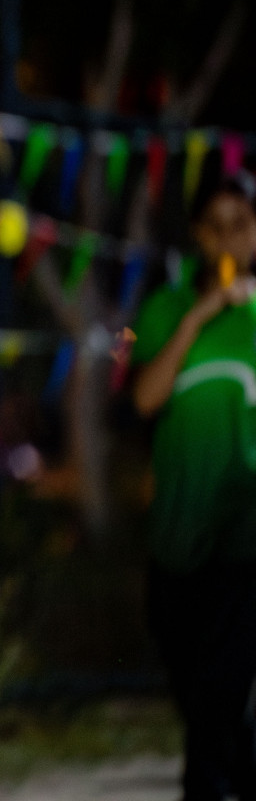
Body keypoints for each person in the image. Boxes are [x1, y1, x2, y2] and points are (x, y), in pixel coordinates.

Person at [130, 170, 256, 801]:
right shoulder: (168, 307)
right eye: (217, 226)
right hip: (179, 537)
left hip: (244, 540)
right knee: (196, 685)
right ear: (199, 236)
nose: (230, 238)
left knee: (220, 693)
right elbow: (147, 399)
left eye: (243, 223)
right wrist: (203, 314)